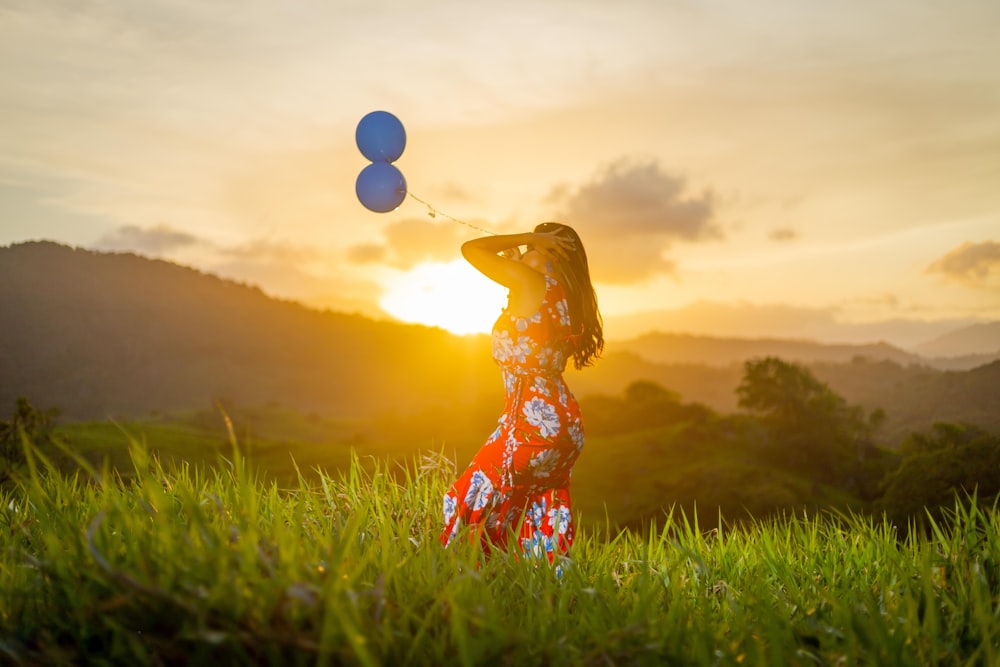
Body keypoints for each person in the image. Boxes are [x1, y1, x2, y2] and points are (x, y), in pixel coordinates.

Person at [439, 222, 603, 565]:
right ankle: (537, 584)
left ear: (552, 253)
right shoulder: (569, 295)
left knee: (467, 499)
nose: (528, 251)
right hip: (564, 426)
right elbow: (529, 325)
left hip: (529, 421)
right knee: (534, 509)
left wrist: (529, 239)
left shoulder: (532, 283)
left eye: (536, 246)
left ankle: (464, 576)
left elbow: (471, 250)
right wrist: (519, 264)